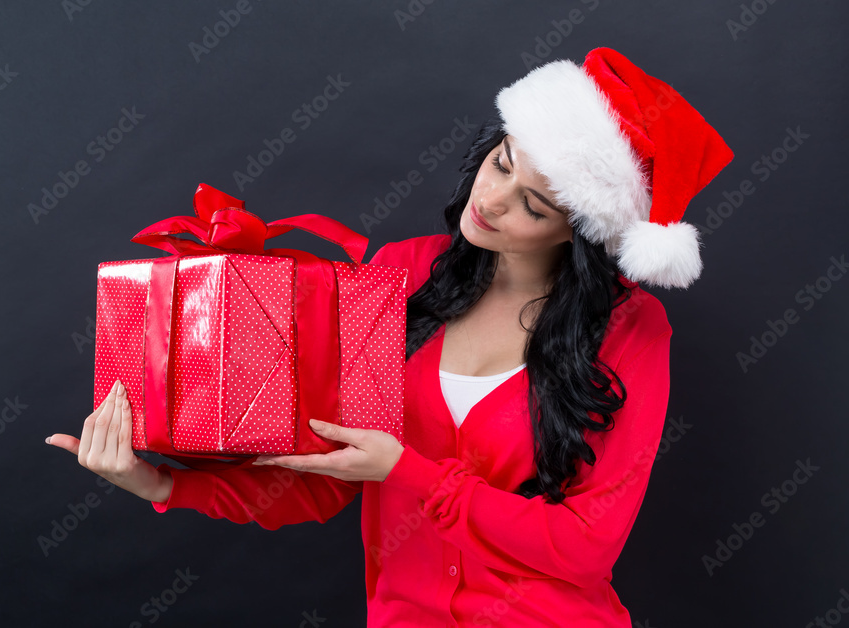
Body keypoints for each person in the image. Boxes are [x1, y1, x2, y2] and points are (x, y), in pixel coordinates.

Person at [47, 47, 733, 626]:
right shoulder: (402, 274)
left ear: (580, 229)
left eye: (534, 203)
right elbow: (327, 478)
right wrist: (160, 483)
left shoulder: (630, 329)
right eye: (502, 163)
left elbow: (585, 548)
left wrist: (406, 472)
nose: (490, 201)